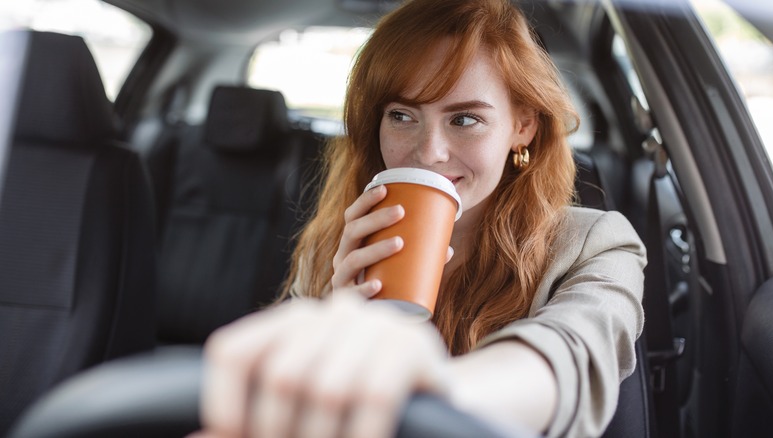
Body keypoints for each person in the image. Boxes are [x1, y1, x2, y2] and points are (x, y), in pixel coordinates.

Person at [197, 0, 647, 437]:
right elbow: (286, 396)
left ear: (522, 126)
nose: (429, 151)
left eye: (465, 119)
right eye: (402, 115)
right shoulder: (338, 245)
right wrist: (338, 317)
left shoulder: (596, 245)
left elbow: (567, 357)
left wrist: (431, 391)